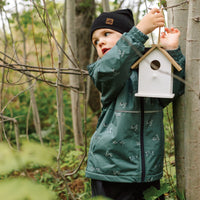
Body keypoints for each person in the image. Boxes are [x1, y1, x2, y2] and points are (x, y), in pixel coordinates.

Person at [86, 8, 185, 200]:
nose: (101, 42)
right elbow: (112, 66)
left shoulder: (150, 67)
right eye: (96, 41)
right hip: (110, 171)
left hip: (148, 170)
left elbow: (173, 91)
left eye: (107, 34)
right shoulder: (103, 70)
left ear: (126, 35)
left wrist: (172, 51)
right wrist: (140, 31)